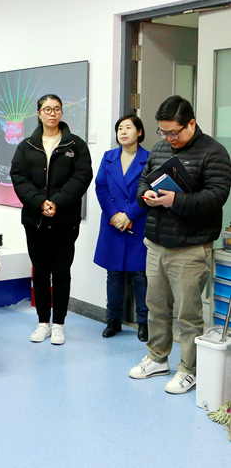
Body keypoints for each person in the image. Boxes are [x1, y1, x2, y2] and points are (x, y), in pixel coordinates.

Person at [129, 95, 231, 394]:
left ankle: (189, 368)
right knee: (156, 306)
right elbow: (144, 180)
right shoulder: (160, 149)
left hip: (191, 246)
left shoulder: (213, 152)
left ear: (191, 124)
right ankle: (157, 357)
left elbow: (216, 197)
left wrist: (176, 200)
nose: (169, 138)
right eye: (163, 132)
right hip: (156, 242)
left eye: (174, 132)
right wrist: (145, 194)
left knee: (188, 313)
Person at [10, 94, 92, 345]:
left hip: (65, 220)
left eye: (56, 109)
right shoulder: (27, 146)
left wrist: (57, 201)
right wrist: (39, 202)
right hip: (35, 220)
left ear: (61, 112)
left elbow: (82, 177)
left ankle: (59, 324)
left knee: (62, 272)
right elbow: (19, 178)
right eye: (47, 109)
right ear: (39, 113)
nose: (52, 113)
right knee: (40, 272)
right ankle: (43, 322)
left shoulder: (75, 145)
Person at [94, 115, 150, 341]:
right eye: (120, 128)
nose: (123, 132)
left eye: (128, 127)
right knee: (114, 274)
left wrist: (129, 214)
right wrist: (115, 214)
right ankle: (113, 320)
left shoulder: (149, 158)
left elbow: (150, 191)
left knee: (140, 275)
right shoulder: (108, 157)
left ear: (139, 131)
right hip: (113, 223)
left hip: (139, 222)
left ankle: (144, 322)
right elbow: (101, 187)